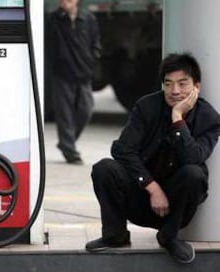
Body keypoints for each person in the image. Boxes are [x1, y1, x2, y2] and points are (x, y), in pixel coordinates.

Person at [85, 53, 220, 264]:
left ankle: (169, 236)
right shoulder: (146, 107)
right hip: (142, 197)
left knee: (194, 174)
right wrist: (152, 187)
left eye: (182, 84)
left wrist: (177, 119)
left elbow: (193, 158)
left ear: (196, 87)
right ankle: (115, 234)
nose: (175, 91)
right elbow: (122, 150)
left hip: (177, 206)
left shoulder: (208, 118)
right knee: (104, 168)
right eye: (169, 84)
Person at [46, 0, 101, 164]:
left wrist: (92, 60)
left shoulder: (88, 18)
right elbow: (48, 45)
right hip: (62, 74)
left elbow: (96, 44)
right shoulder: (54, 19)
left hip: (84, 73)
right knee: (65, 115)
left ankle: (65, 143)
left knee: (86, 110)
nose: (64, 2)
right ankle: (70, 151)